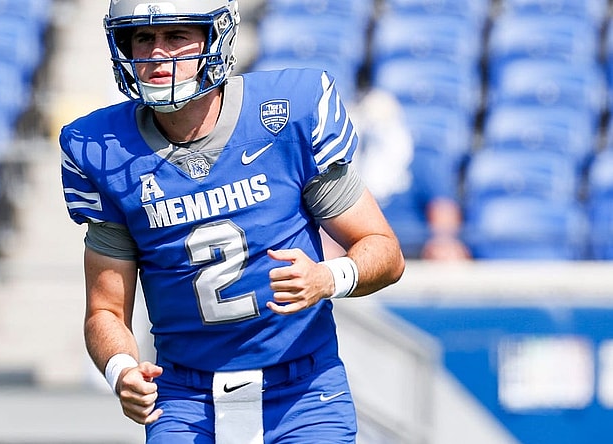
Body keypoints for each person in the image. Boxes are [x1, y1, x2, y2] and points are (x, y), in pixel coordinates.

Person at [58, 1, 405, 442]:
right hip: (186, 397)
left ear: (215, 36)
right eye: (143, 38)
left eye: (176, 35)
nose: (158, 54)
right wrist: (122, 370)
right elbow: (105, 311)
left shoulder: (285, 117)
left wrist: (328, 277)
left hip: (302, 393)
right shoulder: (104, 150)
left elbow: (385, 252)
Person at [323, 89, 470, 261]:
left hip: (413, 246)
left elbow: (443, 209)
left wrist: (442, 240)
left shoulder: (419, 157)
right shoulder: (339, 164)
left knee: (447, 254)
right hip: (356, 245)